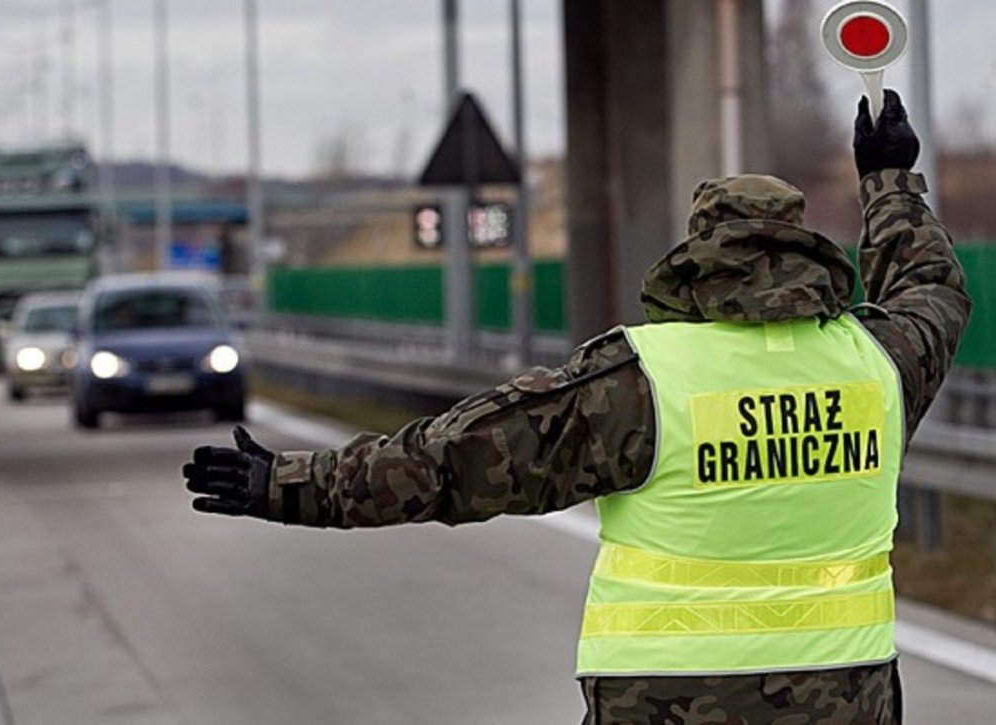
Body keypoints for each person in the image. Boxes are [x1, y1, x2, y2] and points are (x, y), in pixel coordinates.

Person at [183, 90, 970, 724]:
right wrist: (889, 182)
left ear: (697, 259)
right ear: (802, 249)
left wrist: (291, 484)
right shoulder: (877, 365)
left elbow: (453, 460)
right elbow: (931, 289)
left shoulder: (644, 379)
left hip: (664, 700)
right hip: (848, 696)